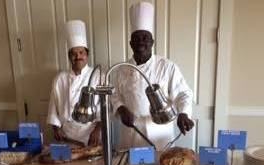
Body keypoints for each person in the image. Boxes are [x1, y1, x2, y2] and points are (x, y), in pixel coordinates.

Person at [111, 2, 194, 150]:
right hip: (131, 132)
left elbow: (184, 93)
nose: (141, 42)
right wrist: (121, 108)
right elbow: (114, 94)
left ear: (152, 42)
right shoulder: (122, 69)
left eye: (145, 37)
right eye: (136, 38)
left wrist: (184, 114)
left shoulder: (167, 66)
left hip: (159, 133)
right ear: (130, 43)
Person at [47, 20, 101, 146]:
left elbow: (104, 108)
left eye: (81, 52)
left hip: (91, 134)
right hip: (67, 135)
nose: (78, 57)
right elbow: (53, 106)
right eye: (73, 54)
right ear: (69, 56)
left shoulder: (98, 76)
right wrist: (56, 128)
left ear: (87, 54)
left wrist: (97, 130)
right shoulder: (60, 78)